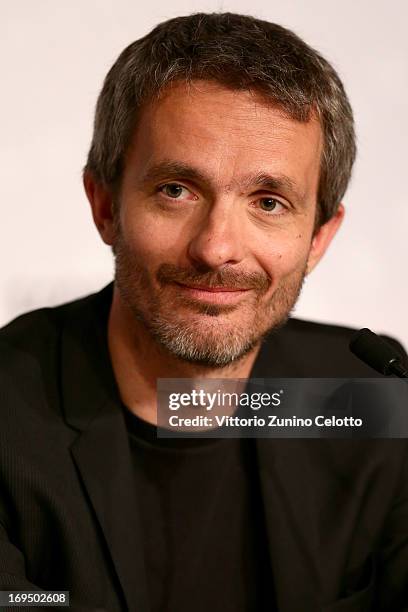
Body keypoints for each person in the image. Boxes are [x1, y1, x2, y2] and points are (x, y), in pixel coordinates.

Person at [0, 11, 407, 612]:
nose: (216, 248)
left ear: (319, 237)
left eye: (269, 202)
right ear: (105, 205)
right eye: (176, 191)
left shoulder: (368, 400)